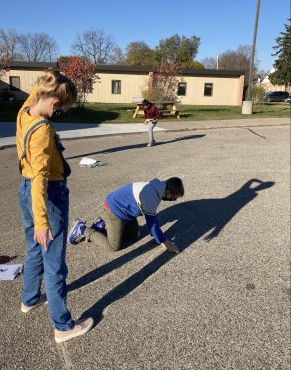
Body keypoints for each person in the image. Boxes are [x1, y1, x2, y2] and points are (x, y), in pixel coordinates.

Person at [17, 70, 93, 343]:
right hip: (48, 196)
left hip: (25, 191)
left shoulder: (25, 110)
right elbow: (40, 178)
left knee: (34, 249)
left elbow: (40, 89)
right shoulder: (43, 131)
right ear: (54, 104)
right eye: (63, 109)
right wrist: (42, 221)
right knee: (55, 263)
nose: (61, 115)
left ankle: (29, 299)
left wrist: (53, 78)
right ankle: (63, 327)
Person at [68, 177, 184, 253]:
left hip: (126, 213)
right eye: (174, 198)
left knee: (134, 235)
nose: (173, 200)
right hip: (114, 210)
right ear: (168, 192)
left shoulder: (158, 187)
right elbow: (152, 225)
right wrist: (166, 243)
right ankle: (82, 228)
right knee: (113, 246)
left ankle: (102, 224)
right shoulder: (151, 195)